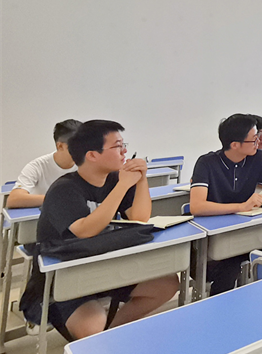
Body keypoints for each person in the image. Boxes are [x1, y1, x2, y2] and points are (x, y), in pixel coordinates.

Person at [19, 120, 178, 341]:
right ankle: (97, 338)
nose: (124, 152)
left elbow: (139, 218)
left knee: (167, 284)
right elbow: (85, 230)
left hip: (104, 264)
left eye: (124, 145)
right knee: (92, 325)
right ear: (92, 155)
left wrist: (141, 180)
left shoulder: (114, 179)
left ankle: (109, 335)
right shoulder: (63, 190)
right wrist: (123, 185)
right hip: (67, 276)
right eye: (117, 146)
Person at [190, 113, 262, 295]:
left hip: (246, 231)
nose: (259, 142)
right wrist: (241, 206)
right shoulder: (206, 163)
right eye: (254, 139)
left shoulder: (257, 158)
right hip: (216, 237)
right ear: (235, 145)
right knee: (229, 266)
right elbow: (197, 206)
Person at [8, 120, 82, 209]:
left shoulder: (89, 164)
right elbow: (14, 199)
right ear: (60, 146)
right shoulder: (36, 167)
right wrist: (58, 199)